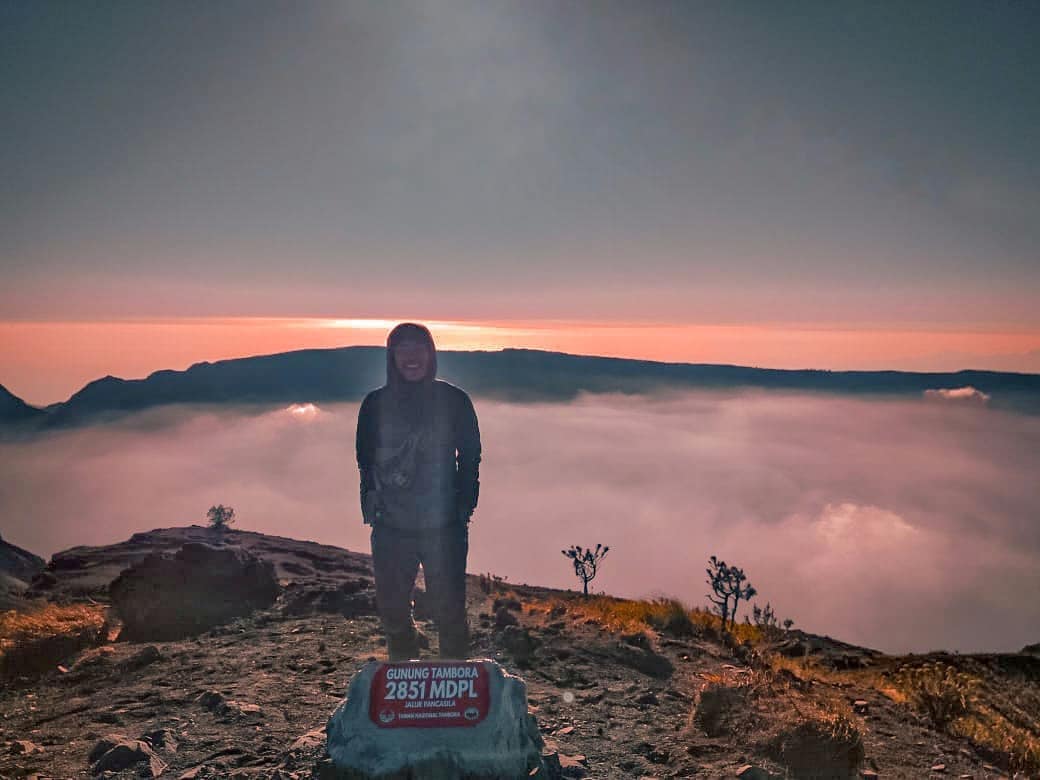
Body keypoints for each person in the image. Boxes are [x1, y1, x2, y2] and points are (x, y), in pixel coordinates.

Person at [355, 322, 481, 661]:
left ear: (431, 354)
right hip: (391, 525)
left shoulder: (454, 401)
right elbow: (364, 459)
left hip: (444, 526)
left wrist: (464, 505)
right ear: (392, 356)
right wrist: (372, 503)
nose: (411, 356)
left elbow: (470, 455)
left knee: (450, 610)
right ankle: (403, 675)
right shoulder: (375, 405)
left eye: (418, 347)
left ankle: (453, 681)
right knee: (393, 610)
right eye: (403, 348)